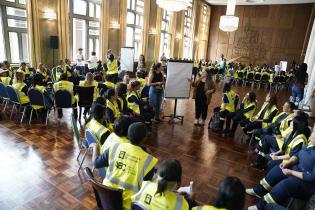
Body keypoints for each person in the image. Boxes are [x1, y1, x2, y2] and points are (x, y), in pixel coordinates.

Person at [93, 122, 158, 210]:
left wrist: (95, 147)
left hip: (107, 197)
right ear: (144, 139)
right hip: (128, 205)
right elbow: (147, 188)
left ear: (128, 134)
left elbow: (96, 164)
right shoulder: (148, 160)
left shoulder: (114, 147)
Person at [246, 132, 315, 210]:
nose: (311, 134)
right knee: (277, 170)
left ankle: (260, 207)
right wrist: (288, 164)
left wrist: (291, 172)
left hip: (307, 183)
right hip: (295, 170)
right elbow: (297, 155)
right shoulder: (310, 145)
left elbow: (312, 177)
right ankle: (258, 191)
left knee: (286, 184)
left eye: (314, 133)